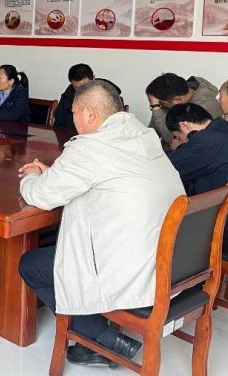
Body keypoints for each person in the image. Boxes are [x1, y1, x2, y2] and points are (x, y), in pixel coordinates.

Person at [18, 81, 184, 368]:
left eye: (74, 113)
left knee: (31, 265)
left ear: (90, 114)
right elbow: (106, 178)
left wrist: (33, 176)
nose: (73, 119)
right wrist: (55, 175)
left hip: (133, 272)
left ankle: (102, 340)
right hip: (171, 264)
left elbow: (41, 196)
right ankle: (101, 336)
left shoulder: (89, 147)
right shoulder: (143, 136)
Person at [165, 103, 228, 254]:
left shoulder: (206, 141)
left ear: (184, 125)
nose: (182, 142)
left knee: (172, 238)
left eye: (178, 137)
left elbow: (166, 168)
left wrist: (178, 149)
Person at [145, 73, 221, 147]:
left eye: (161, 103)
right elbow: (153, 133)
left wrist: (155, 107)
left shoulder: (201, 109)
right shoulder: (194, 84)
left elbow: (172, 139)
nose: (161, 106)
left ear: (177, 99)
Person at [53, 63, 122, 129]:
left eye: (84, 86)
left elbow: (117, 124)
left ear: (93, 79)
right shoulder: (68, 95)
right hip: (74, 135)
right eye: (76, 87)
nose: (81, 90)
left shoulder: (109, 94)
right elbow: (59, 123)